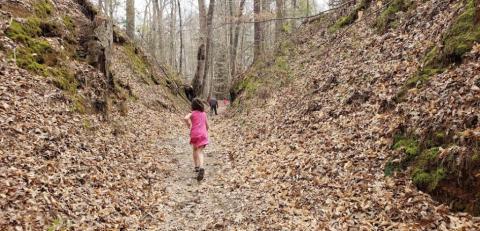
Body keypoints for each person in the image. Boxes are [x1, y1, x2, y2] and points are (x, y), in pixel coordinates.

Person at [184, 98, 209, 181]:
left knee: (195, 149)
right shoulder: (204, 114)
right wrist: (205, 131)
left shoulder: (192, 113)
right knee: (200, 151)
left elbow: (185, 118)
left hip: (194, 133)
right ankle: (201, 167)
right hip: (202, 133)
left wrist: (188, 125)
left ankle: (196, 167)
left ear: (193, 106)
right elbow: (207, 126)